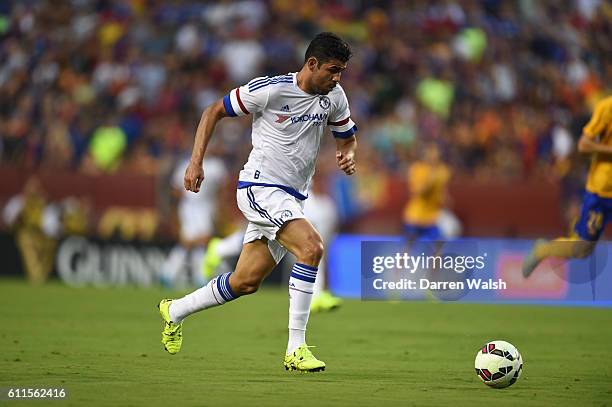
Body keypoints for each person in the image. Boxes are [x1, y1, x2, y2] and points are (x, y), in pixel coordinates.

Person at [157, 32, 357, 373]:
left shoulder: (334, 97)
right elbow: (213, 111)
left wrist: (346, 155)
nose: (338, 78)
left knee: (245, 281)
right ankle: (296, 348)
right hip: (260, 187)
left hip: (293, 197)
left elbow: (347, 137)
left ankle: (175, 310)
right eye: (333, 70)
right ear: (312, 64)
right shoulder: (271, 89)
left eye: (342, 71)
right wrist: (195, 162)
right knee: (311, 248)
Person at [523, 96, 612, 277]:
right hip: (602, 190)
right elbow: (584, 144)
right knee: (582, 249)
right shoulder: (607, 107)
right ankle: (544, 250)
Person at [160, 154, 227, 287]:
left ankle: (171, 274)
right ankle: (172, 274)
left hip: (207, 207)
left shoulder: (216, 166)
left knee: (201, 243)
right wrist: (175, 216)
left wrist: (219, 211)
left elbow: (221, 191)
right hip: (188, 208)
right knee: (189, 243)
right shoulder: (184, 165)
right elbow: (176, 192)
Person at [402, 143, 450, 241]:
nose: (433, 156)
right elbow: (417, 192)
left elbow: (442, 190)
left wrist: (445, 199)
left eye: (435, 153)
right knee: (408, 246)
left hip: (432, 216)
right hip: (415, 215)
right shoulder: (417, 169)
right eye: (430, 153)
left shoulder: (442, 170)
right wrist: (430, 180)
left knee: (437, 247)